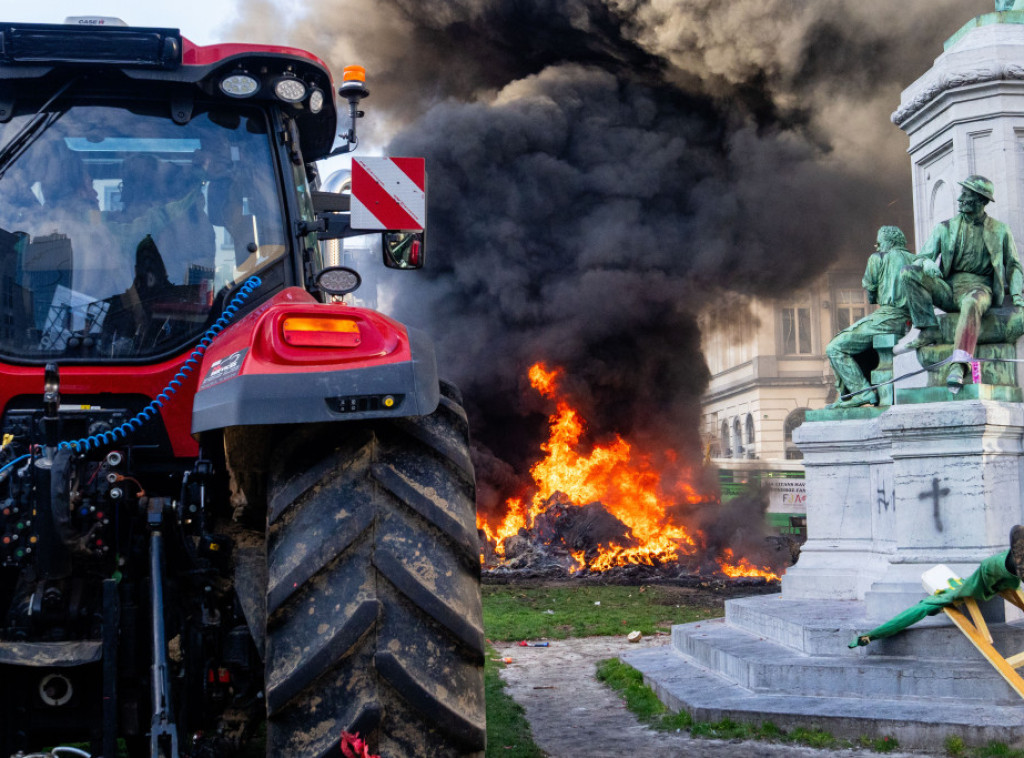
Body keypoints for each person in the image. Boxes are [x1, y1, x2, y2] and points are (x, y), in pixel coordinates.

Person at [900, 175, 1024, 389]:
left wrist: (1019, 300)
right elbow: (922, 256)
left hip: (979, 287)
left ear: (981, 200)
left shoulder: (1000, 229)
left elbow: (1013, 266)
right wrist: (924, 263)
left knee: (972, 302)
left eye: (967, 195)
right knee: (908, 272)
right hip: (947, 288)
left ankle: (959, 362)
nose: (960, 199)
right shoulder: (944, 228)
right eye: (962, 194)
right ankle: (928, 328)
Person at [849, 525, 1024, 648]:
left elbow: (912, 614)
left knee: (988, 569)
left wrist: (871, 636)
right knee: (987, 569)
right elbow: (911, 614)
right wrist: (872, 635)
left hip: (985, 583)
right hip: (984, 584)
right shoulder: (946, 594)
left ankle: (1012, 563)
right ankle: (1012, 563)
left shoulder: (943, 595)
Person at [825, 226, 914, 409]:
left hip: (887, 317)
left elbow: (871, 294)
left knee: (835, 348)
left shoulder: (879, 258)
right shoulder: (917, 260)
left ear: (889, 242)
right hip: (909, 322)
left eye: (879, 243)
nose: (877, 247)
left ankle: (862, 392)